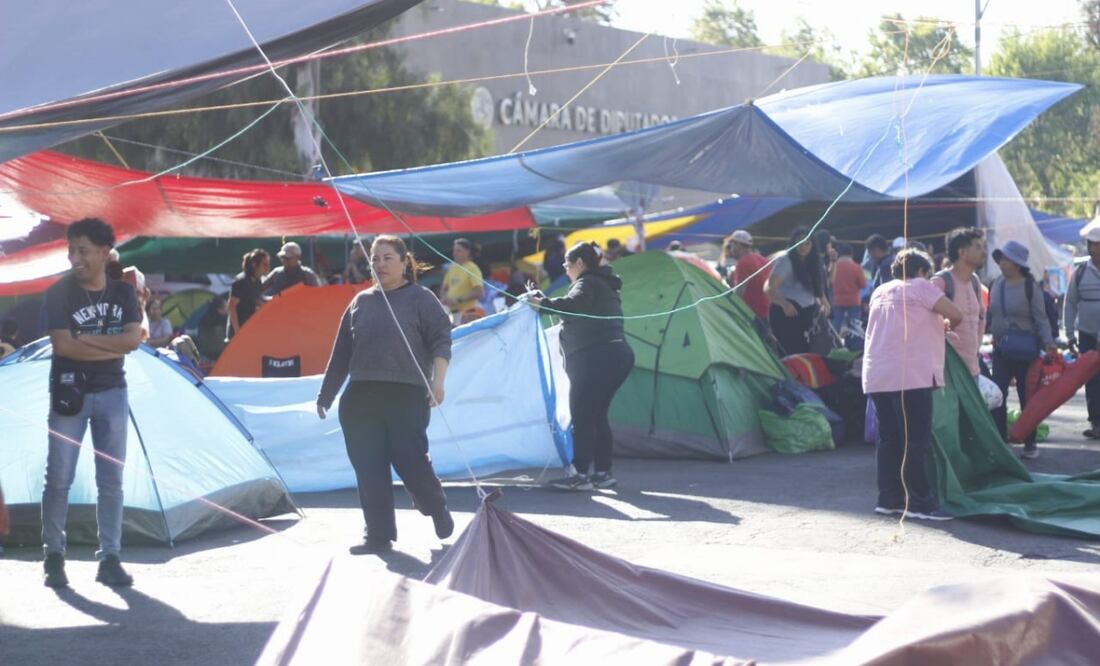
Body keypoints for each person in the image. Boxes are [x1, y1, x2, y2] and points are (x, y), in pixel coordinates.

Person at [316, 235, 454, 553]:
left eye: (387, 257)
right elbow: (341, 354)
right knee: (369, 467)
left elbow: (441, 340)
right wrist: (326, 395)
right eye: (375, 259)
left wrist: (438, 381)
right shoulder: (360, 302)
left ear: (405, 261)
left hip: (406, 396)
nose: (379, 264)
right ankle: (378, 535)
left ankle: (435, 506)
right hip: (360, 398)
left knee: (411, 461)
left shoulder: (421, 298)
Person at [41, 218, 143, 588]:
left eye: (82, 250)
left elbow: (135, 340)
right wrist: (111, 342)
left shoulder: (123, 294)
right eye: (71, 250)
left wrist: (89, 340)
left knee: (111, 481)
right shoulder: (59, 293)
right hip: (70, 395)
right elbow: (63, 346)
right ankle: (54, 556)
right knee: (58, 479)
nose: (74, 258)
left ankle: (110, 558)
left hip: (113, 393)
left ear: (104, 253)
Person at [863, 248, 963, 521]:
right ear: (922, 272)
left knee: (889, 441)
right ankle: (921, 503)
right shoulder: (922, 287)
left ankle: (888, 499)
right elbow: (956, 314)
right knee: (915, 441)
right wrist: (944, 324)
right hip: (911, 375)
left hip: (877, 375)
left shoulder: (880, 291)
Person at [531, 242, 635, 491]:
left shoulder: (586, 283)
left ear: (579, 263)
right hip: (617, 355)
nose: (566, 270)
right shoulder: (602, 284)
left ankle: (579, 474)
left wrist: (543, 304)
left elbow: (573, 305)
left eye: (567, 265)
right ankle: (602, 472)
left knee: (583, 414)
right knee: (597, 415)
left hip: (596, 357)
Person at [988, 241, 1057, 459]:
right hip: (1000, 350)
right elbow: (991, 315)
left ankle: (1030, 442)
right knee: (997, 395)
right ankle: (1001, 442)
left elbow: (1040, 318)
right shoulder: (995, 283)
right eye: (1000, 258)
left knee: (1027, 397)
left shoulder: (1030, 286)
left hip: (1026, 352)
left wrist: (1049, 343)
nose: (1002, 262)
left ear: (1017, 263)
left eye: (1006, 259)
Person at [765, 227, 829, 355]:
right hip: (786, 314)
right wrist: (785, 304)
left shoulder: (813, 261)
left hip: (807, 314)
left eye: (807, 243)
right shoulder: (786, 260)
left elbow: (816, 287)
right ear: (794, 242)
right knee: (792, 352)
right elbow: (769, 289)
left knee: (811, 351)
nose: (803, 246)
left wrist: (825, 302)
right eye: (800, 242)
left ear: (812, 245)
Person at [931, 228, 986, 378]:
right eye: (978, 247)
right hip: (947, 372)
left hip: (972, 370)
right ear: (962, 253)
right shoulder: (940, 282)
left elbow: (980, 318)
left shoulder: (975, 281)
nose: (984, 252)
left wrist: (977, 346)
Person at [1065, 226, 1100, 439]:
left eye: (1098, 244)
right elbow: (1070, 305)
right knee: (1092, 380)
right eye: (1092, 245)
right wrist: (1069, 335)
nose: (1095, 249)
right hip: (1086, 335)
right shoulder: (1080, 273)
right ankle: (1096, 423)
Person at [726, 230, 770, 320]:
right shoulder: (761, 259)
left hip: (753, 313)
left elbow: (739, 294)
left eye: (732, 244)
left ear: (738, 245)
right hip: (767, 311)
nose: (731, 248)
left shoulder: (743, 262)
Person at [440, 238, 485, 325]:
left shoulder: (472, 268)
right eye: (454, 250)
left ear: (467, 252)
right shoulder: (452, 267)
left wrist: (458, 299)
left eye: (458, 250)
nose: (455, 253)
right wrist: (444, 298)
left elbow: (479, 292)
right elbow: (444, 287)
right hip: (453, 314)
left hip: (468, 314)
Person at [228, 249, 269, 337]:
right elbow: (231, 306)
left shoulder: (257, 281)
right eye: (264, 264)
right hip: (238, 332)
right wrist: (237, 330)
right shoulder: (241, 281)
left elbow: (256, 300)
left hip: (250, 330)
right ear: (254, 264)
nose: (267, 268)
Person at [831, 243, 867, 332]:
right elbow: (863, 285)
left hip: (837, 300)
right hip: (853, 300)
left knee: (836, 324)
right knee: (855, 325)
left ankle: (834, 343)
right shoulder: (857, 267)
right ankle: (855, 343)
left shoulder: (833, 267)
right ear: (851, 254)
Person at [196, 295, 229, 362]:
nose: (228, 309)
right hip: (218, 356)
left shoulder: (204, 319)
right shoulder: (222, 321)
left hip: (204, 354)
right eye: (226, 307)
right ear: (219, 310)